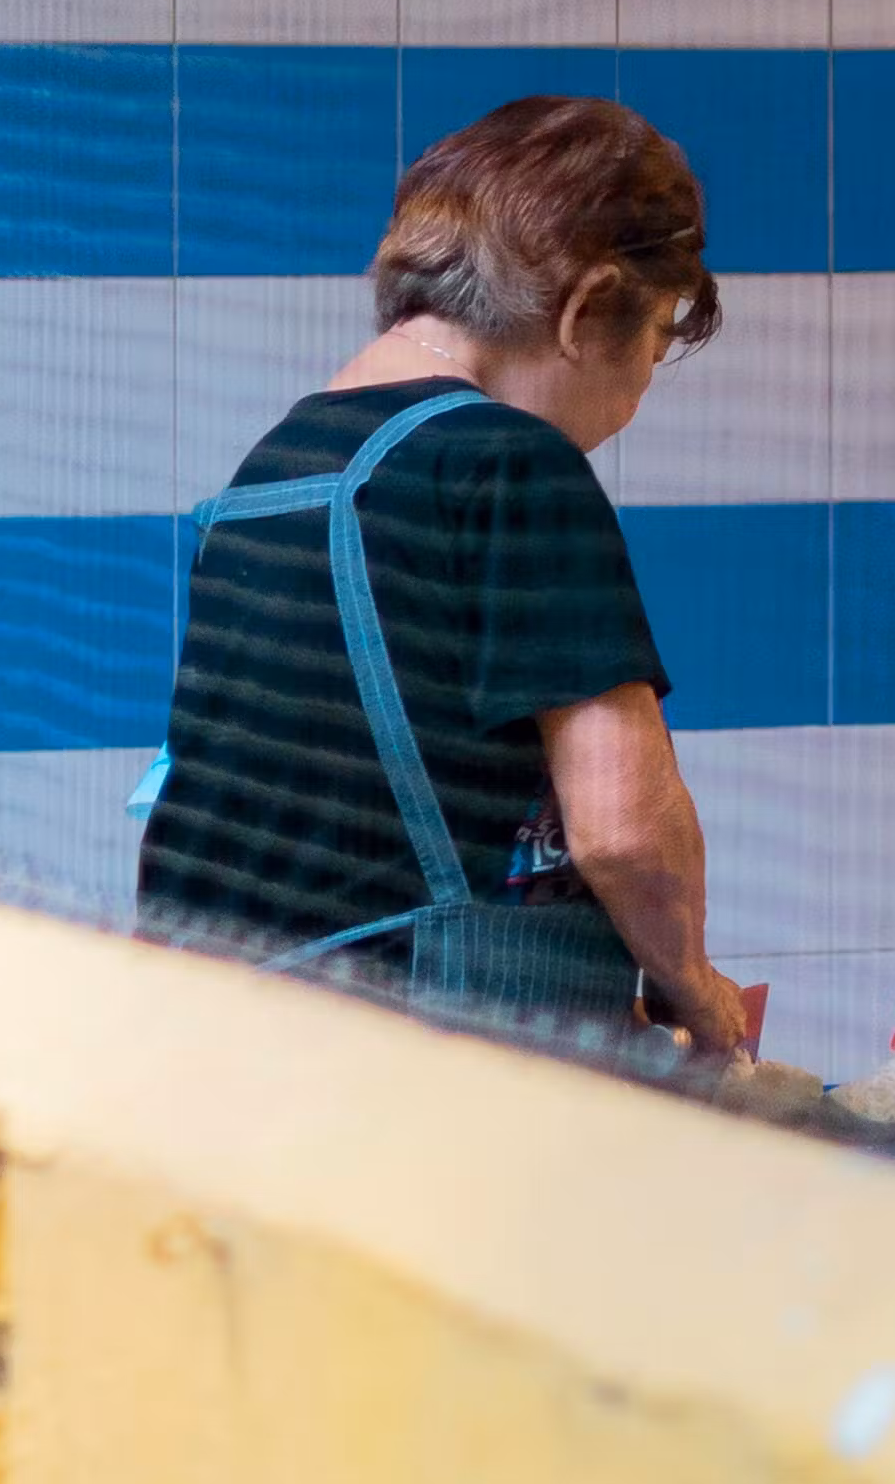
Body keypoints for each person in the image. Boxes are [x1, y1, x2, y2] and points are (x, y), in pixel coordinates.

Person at [134, 94, 764, 1053]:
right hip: (414, 1059)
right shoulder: (509, 460)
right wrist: (698, 994)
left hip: (227, 1047)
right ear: (589, 307)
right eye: (654, 339)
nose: (638, 391)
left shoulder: (274, 468)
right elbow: (624, 829)